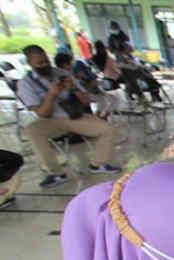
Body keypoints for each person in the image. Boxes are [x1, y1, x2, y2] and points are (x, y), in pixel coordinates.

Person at [17, 45, 119, 188]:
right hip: (50, 120)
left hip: (74, 116)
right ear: (30, 64)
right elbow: (42, 113)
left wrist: (74, 88)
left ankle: (98, 164)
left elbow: (86, 101)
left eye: (46, 60)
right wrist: (52, 94)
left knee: (108, 129)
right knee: (32, 131)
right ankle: (55, 173)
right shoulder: (26, 83)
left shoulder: (62, 73)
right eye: (40, 63)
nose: (45, 64)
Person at [55, 52, 120, 120]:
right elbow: (82, 93)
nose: (72, 65)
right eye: (71, 63)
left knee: (107, 99)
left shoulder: (68, 75)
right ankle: (100, 118)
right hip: (82, 99)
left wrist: (84, 81)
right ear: (65, 65)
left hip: (86, 95)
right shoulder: (66, 77)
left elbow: (82, 88)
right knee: (109, 99)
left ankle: (100, 117)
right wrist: (91, 86)